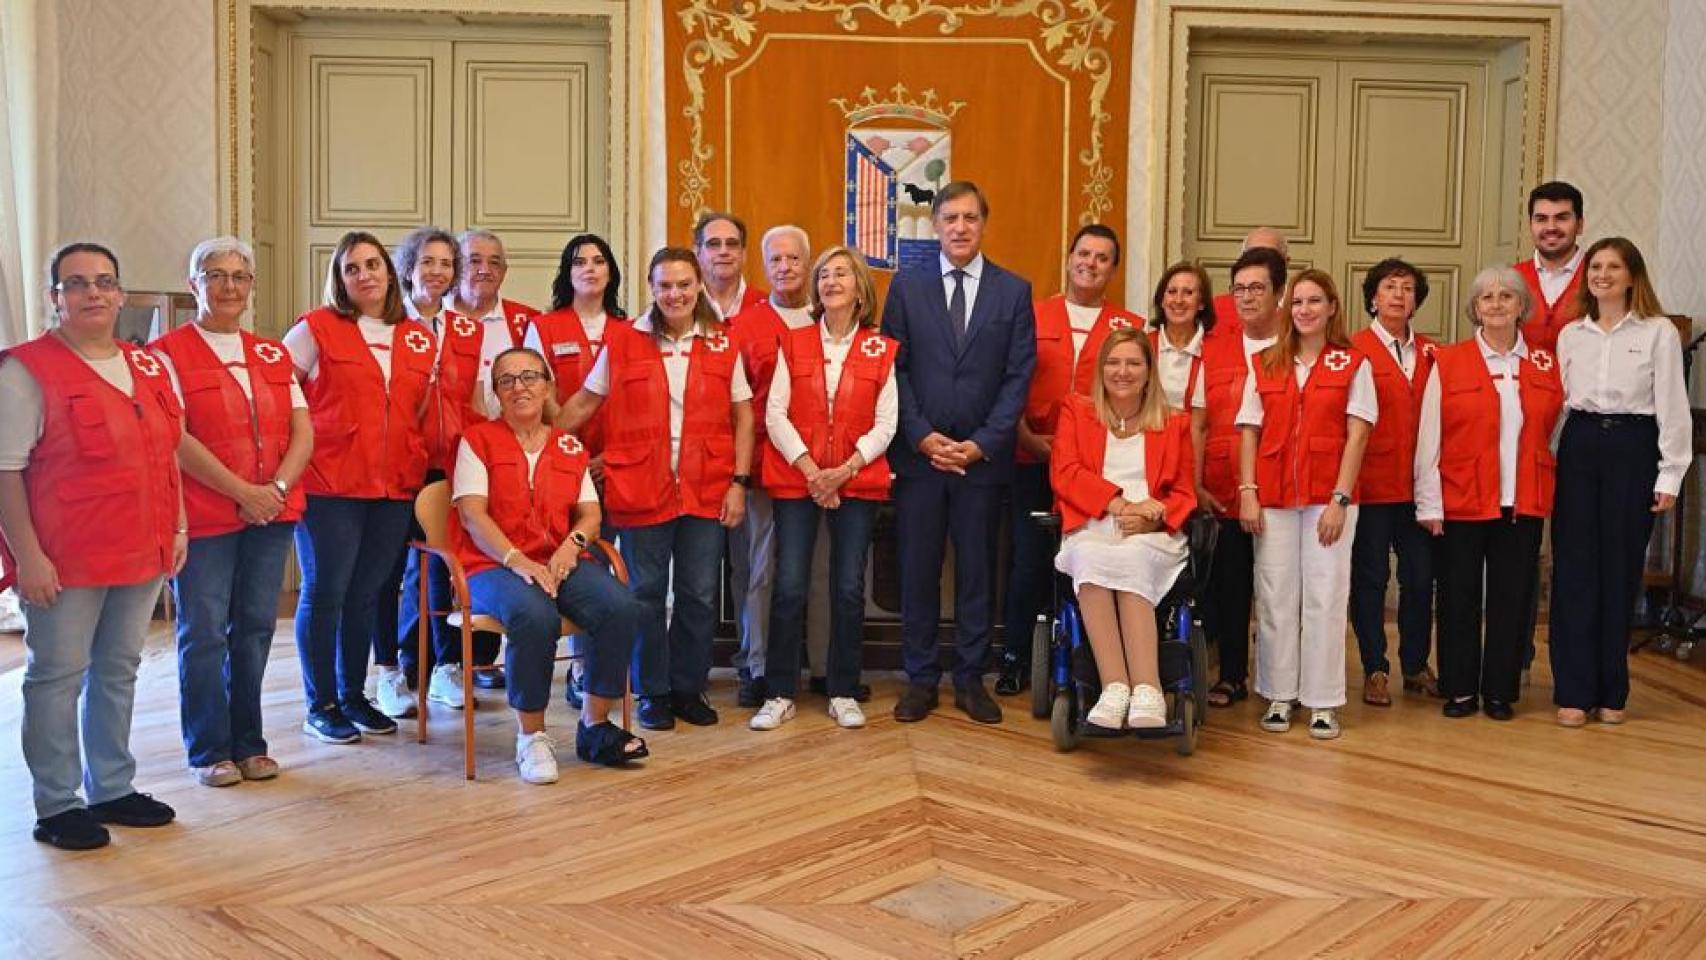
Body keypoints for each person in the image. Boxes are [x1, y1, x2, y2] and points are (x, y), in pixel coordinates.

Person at [0, 242, 184, 849]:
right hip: (65, 558)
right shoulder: (26, 370)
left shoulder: (149, 365)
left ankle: (111, 787)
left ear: (121, 293)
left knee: (119, 671)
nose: (93, 293)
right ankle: (57, 804)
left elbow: (167, 455)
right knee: (56, 676)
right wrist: (27, 556)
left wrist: (178, 526)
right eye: (76, 284)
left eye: (104, 281)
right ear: (56, 298)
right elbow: (5, 471)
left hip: (142, 550)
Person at [555, 247, 754, 730]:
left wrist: (739, 483)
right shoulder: (623, 341)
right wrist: (542, 443)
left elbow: (743, 415)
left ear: (698, 286)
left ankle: (689, 687)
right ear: (651, 288)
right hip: (640, 486)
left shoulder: (724, 342)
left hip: (706, 488)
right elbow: (585, 402)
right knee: (644, 593)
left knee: (699, 594)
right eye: (665, 285)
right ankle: (652, 691)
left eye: (684, 284)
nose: (675, 294)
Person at [151, 237, 311, 786]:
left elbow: (302, 429)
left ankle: (250, 742)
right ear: (194, 283)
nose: (227, 286)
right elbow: (175, 436)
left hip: (272, 512)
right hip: (206, 515)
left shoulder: (272, 352)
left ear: (250, 287)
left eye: (238, 276)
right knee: (203, 632)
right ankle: (208, 748)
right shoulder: (167, 353)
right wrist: (243, 490)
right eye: (214, 275)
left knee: (255, 629)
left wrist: (277, 487)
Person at [452, 348, 646, 782]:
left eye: (529, 377)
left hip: (556, 559)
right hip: (490, 565)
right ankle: (532, 737)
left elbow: (590, 515)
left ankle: (595, 726)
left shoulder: (568, 445)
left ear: (548, 387)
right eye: (507, 380)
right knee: (532, 614)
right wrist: (517, 560)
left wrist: (569, 547)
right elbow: (472, 515)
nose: (519, 387)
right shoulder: (477, 440)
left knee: (620, 606)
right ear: (496, 392)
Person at [882, 180, 1037, 724]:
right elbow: (894, 371)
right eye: (950, 218)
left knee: (977, 572)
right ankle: (920, 679)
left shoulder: (1013, 292)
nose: (960, 228)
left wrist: (983, 443)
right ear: (936, 225)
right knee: (917, 572)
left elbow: (1018, 377)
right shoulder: (906, 288)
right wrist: (922, 436)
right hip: (920, 459)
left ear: (983, 223)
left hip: (981, 461)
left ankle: (972, 678)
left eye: (970, 218)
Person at [282, 232, 435, 744]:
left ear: (390, 272)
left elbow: (414, 411)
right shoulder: (315, 330)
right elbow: (280, 398)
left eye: (373, 264)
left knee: (367, 594)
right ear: (340, 279)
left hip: (393, 487)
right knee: (326, 592)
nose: (365, 275)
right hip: (331, 484)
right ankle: (320, 703)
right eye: (353, 268)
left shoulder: (416, 336)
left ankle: (353, 695)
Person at [749, 245, 897, 731]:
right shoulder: (793, 342)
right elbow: (775, 414)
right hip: (799, 480)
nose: (831, 282)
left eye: (841, 274)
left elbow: (887, 421)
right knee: (789, 584)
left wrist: (844, 470)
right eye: (824, 275)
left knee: (849, 586)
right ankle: (779, 692)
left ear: (860, 288)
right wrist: (814, 471)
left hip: (855, 481)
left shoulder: (881, 347)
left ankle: (842, 688)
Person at [1550, 238, 1690, 727]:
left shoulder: (1658, 334)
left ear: (1633, 276)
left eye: (1613, 267)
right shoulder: (1571, 334)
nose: (1602, 275)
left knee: (1619, 569)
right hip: (1581, 446)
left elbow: (1673, 405)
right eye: (1595, 266)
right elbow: (1560, 407)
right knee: (1574, 569)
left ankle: (1613, 690)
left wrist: (1670, 472)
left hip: (1634, 447)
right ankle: (1573, 690)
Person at [1415, 266, 1562, 721]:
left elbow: (1553, 433)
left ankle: (1500, 690)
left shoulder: (1544, 363)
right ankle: (1459, 688)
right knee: (1458, 597)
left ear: (1522, 306)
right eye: (1486, 298)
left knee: (1512, 599)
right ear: (1475, 309)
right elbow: (1429, 436)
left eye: (1506, 296)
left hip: (1521, 500)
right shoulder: (1449, 360)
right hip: (1461, 498)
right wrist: (1428, 500)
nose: (1496, 304)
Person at [997, 224, 1137, 696]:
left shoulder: (1129, 327)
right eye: (1084, 253)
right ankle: (1018, 657)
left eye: (1102, 257)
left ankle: (1091, 664)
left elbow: (1135, 397)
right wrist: (1030, 439)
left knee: (1091, 563)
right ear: (1069, 257)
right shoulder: (1032, 316)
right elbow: (1009, 387)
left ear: (1112, 269)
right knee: (1029, 561)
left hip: (1096, 473)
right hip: (1030, 458)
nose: (1091, 263)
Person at [1237, 269, 1376, 740]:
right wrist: (1248, 491)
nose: (1305, 310)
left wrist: (1339, 499)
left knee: (1326, 596)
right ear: (1286, 309)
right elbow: (1249, 432)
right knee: (1275, 597)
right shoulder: (1265, 363)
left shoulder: (1353, 364)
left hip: (1328, 499)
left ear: (1332, 307)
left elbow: (1357, 435)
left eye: (1315, 301)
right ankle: (1279, 694)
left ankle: (1322, 700)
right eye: (1297, 302)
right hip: (1273, 498)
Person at [1050, 329, 1196, 730]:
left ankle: (1147, 687)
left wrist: (1155, 513)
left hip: (1151, 532)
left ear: (1149, 371)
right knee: (1090, 554)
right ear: (1101, 370)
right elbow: (1065, 473)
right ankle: (1115, 686)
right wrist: (1118, 504)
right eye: (1114, 363)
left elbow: (1184, 491)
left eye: (1133, 363)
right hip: (1094, 521)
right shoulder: (1077, 412)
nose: (1123, 372)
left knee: (1132, 556)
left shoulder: (1173, 423)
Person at [375, 226, 487, 718]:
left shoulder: (468, 329)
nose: (438, 272)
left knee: (444, 564)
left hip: (449, 464)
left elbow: (474, 398)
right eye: (428, 263)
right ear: (408, 268)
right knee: (389, 572)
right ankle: (389, 672)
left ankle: (445, 667)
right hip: (396, 465)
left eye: (446, 264)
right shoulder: (386, 325)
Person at [525, 233, 627, 710]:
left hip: (622, 464)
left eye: (599, 261)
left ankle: (606, 665)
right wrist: (573, 458)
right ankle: (576, 667)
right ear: (567, 273)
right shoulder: (543, 328)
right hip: (564, 468)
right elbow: (539, 400)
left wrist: (612, 456)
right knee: (571, 563)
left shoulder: (631, 329)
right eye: (580, 262)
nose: (590, 268)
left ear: (611, 272)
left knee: (614, 570)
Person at [728, 225, 816, 708]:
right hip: (764, 466)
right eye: (776, 260)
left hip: (823, 469)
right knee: (762, 569)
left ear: (808, 263)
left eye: (794, 259)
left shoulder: (828, 318)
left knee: (819, 570)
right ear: (764, 268)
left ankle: (821, 666)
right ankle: (758, 666)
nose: (785, 267)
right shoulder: (744, 326)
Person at [1347, 259, 1439, 706]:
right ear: (1373, 297)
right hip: (1370, 485)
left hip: (1420, 487)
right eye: (1389, 287)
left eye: (1407, 288)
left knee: (1421, 580)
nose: (1399, 295)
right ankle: (1374, 667)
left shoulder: (1434, 353)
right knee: (1370, 579)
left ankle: (1417, 665)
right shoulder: (1352, 348)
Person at [1198, 246, 1286, 708]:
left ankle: (1281, 683)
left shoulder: (1295, 346)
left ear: (1279, 293)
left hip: (1282, 491)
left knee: (1278, 589)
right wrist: (1196, 484)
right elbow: (1196, 421)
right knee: (1229, 585)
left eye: (1257, 288)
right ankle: (1231, 674)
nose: (1247, 298)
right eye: (1239, 289)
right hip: (1222, 489)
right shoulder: (1211, 348)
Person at [1514, 181, 1587, 354]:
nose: (1551, 227)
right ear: (1530, 225)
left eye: (1562, 218)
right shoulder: (1511, 279)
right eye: (1541, 219)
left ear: (1580, 225)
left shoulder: (1601, 277)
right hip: (1524, 380)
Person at [449, 228, 540, 350]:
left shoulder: (528, 321)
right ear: (455, 267)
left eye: (494, 263)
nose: (485, 270)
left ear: (504, 271)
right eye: (475, 261)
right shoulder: (433, 316)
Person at [696, 211, 769, 321]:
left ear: (743, 254)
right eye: (714, 244)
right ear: (698, 253)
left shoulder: (767, 307)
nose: (723, 251)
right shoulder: (682, 308)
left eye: (732, 244)